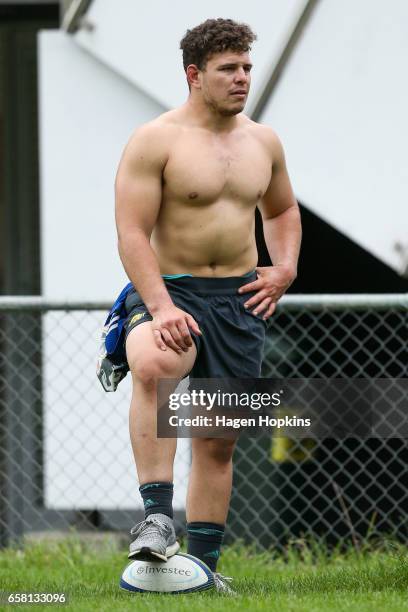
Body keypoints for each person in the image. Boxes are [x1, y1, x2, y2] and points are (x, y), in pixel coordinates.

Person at [114, 18, 301, 593]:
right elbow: (131, 231)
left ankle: (202, 573)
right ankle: (154, 517)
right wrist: (161, 306)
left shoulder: (263, 141)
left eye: (246, 67)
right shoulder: (156, 139)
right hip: (173, 291)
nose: (242, 78)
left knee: (218, 441)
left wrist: (285, 267)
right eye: (229, 69)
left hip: (239, 300)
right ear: (194, 76)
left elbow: (282, 211)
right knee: (154, 360)